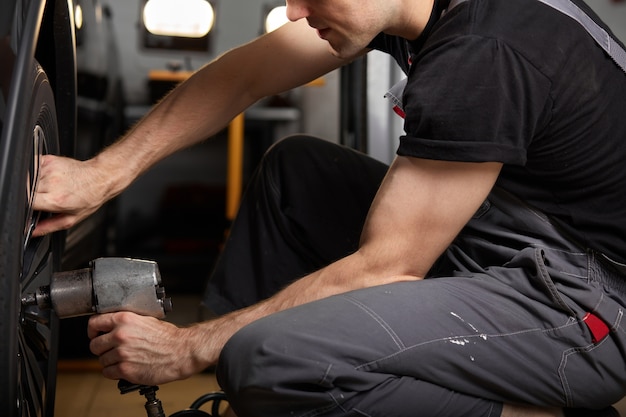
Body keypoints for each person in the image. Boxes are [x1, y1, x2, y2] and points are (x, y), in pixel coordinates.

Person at [32, 0, 626, 415]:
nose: (292, 10)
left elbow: (384, 267)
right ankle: (253, 400)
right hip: (513, 249)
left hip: (586, 309)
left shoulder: (485, 50)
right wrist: (101, 176)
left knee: (269, 359)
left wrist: (185, 348)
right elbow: (244, 73)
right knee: (297, 174)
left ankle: (538, 416)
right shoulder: (423, 10)